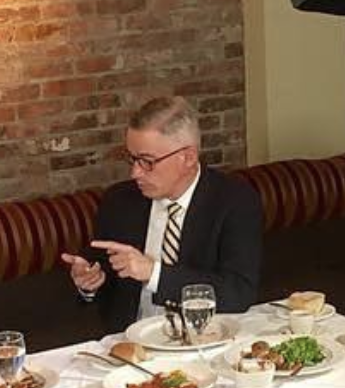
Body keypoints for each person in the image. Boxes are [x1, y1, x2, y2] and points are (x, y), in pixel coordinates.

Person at [60, 97, 263, 333]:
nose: (135, 173)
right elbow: (104, 279)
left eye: (147, 161)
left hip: (205, 338)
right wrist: (90, 283)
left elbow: (238, 292)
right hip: (132, 342)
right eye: (132, 158)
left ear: (188, 157)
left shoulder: (234, 201)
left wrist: (153, 273)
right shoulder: (119, 201)